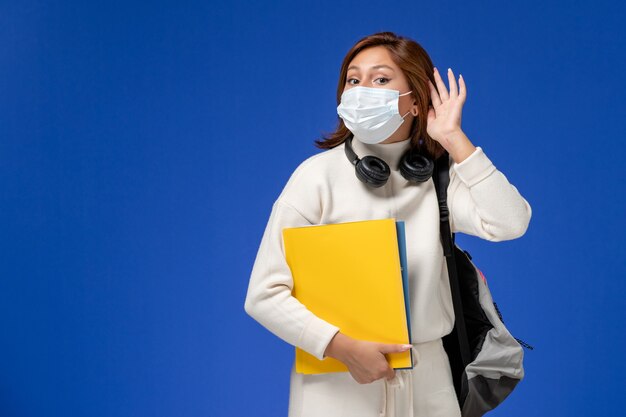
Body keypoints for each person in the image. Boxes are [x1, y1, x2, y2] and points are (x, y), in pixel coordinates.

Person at [244, 31, 532, 417]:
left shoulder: (440, 179)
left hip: (429, 380)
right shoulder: (315, 178)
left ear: (415, 99)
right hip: (338, 381)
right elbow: (264, 295)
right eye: (353, 79)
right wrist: (341, 347)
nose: (363, 89)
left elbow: (510, 222)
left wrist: (455, 140)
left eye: (381, 79)